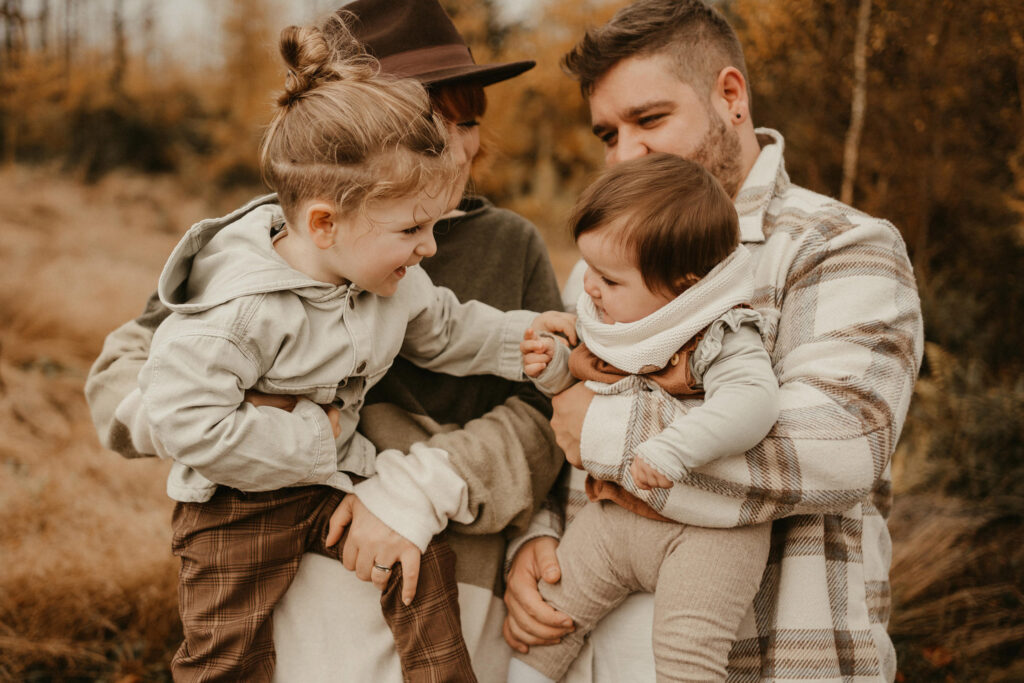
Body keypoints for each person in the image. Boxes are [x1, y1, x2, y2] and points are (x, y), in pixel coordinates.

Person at [85, 1, 567, 680]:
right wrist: (251, 423)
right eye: (431, 123)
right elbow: (133, 374)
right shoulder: (263, 252)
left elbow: (528, 404)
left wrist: (428, 479)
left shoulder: (501, 245)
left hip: (438, 555)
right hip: (277, 549)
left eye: (470, 122)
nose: (458, 147)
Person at [503, 1, 924, 681]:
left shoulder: (837, 245)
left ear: (730, 96)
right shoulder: (599, 269)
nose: (625, 154)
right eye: (608, 133)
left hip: (770, 655)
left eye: (649, 119)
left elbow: (838, 446)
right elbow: (560, 437)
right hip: (594, 650)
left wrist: (609, 430)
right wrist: (538, 535)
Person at [509, 153, 778, 682]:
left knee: (687, 655)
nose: (589, 286)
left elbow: (752, 402)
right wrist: (553, 367)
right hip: (615, 516)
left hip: (709, 532)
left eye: (608, 279)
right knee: (548, 620)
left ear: (683, 283)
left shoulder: (720, 332)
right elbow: (585, 387)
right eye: (588, 268)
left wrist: (675, 446)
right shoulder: (619, 317)